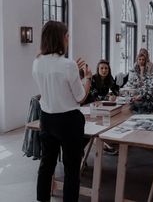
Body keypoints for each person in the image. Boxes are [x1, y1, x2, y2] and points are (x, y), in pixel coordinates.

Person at [32, 21, 92, 202]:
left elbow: (51, 89)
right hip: (68, 121)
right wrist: (87, 77)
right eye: (67, 36)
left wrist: (75, 74)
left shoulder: (37, 62)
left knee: (46, 165)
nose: (68, 39)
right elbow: (80, 97)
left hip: (46, 119)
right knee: (71, 169)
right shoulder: (68, 65)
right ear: (61, 38)